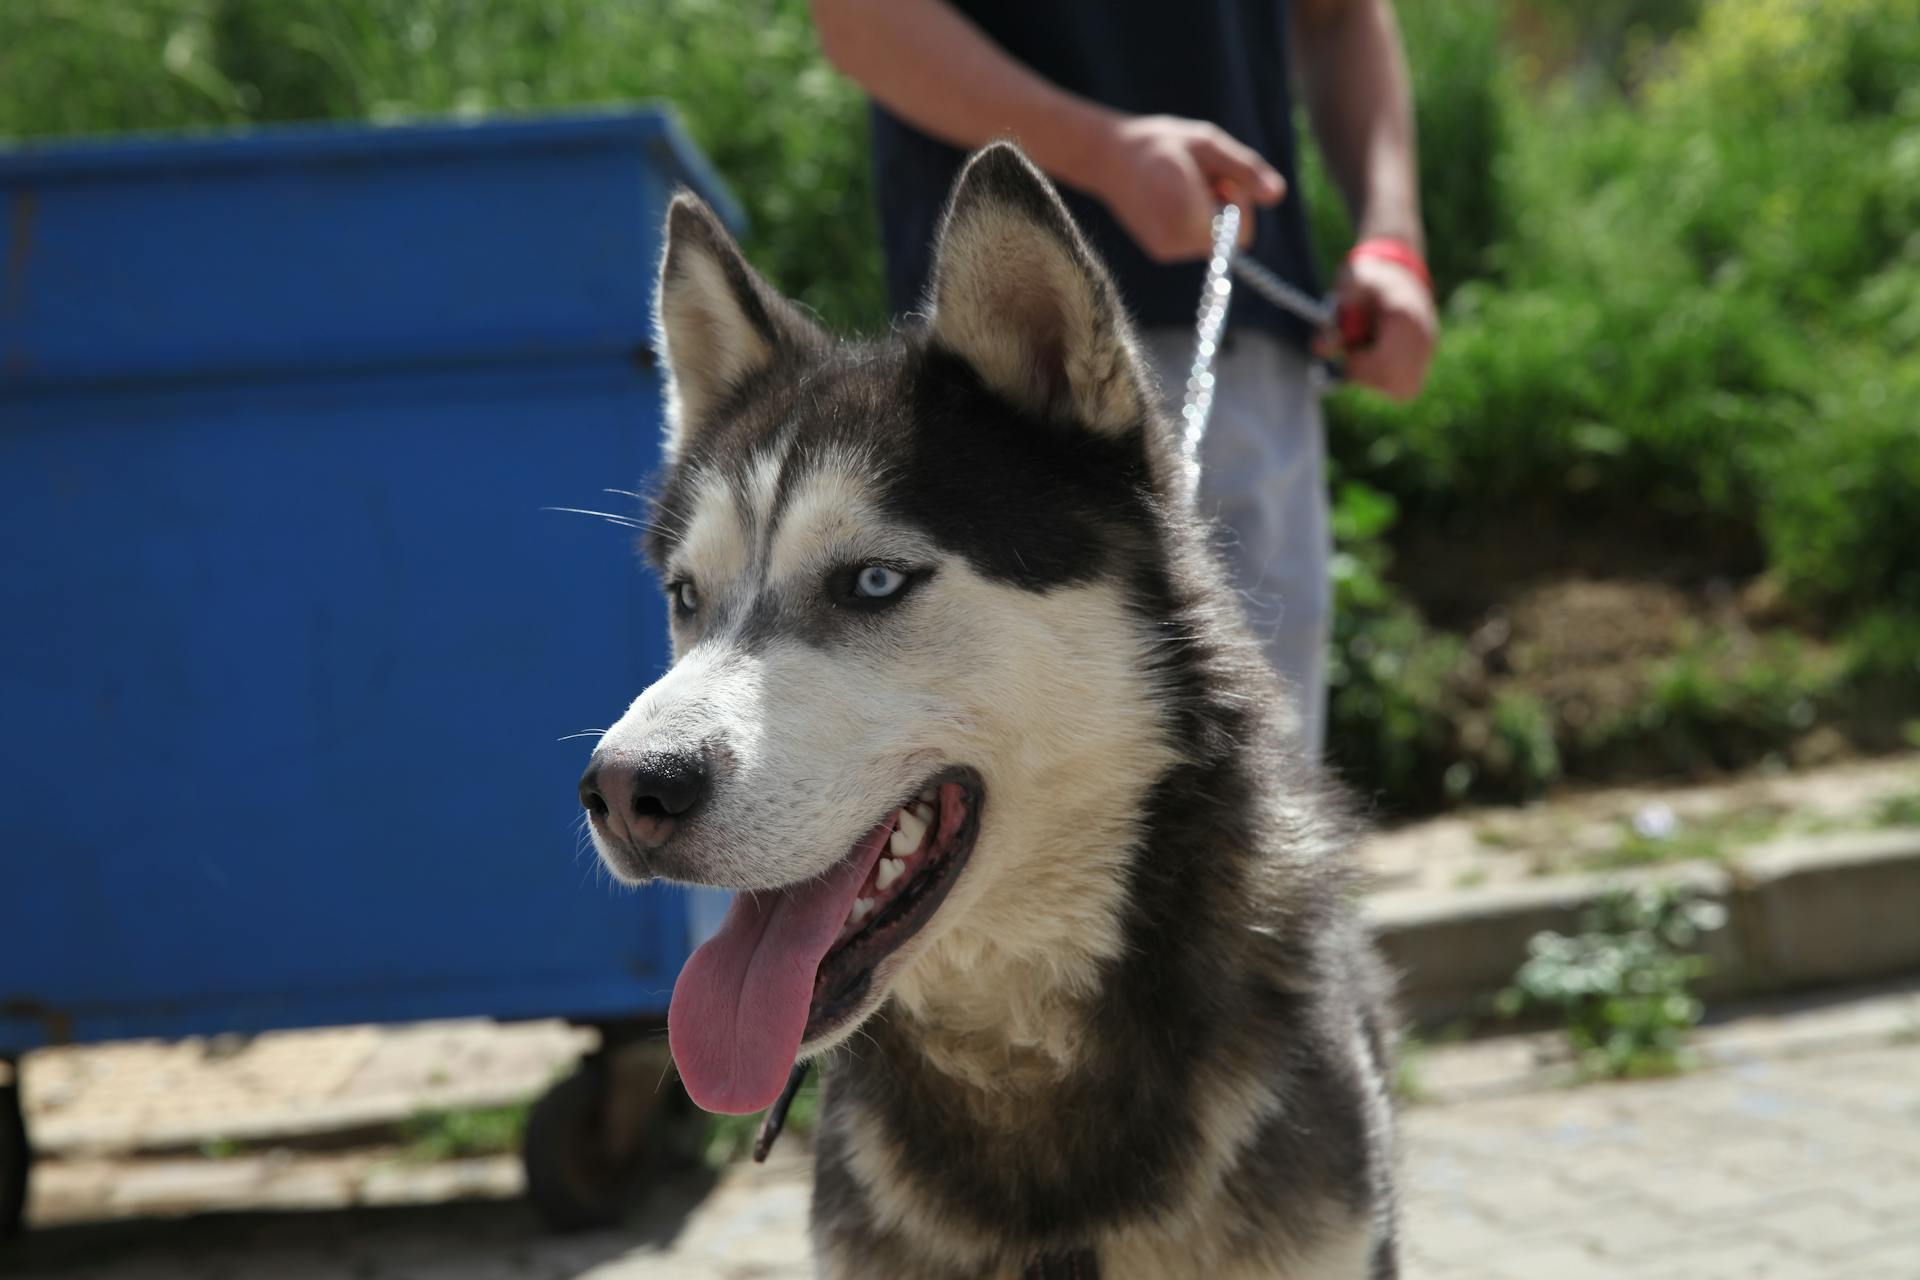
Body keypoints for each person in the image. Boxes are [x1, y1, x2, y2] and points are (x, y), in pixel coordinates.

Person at [810, 0, 1437, 755]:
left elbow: (1338, 16)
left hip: (1252, 355)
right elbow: (862, 22)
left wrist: (1391, 240)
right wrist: (1103, 152)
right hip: (989, 393)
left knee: (1263, 799)